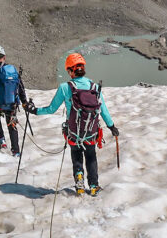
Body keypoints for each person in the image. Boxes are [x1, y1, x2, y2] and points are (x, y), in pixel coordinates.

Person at [28, 53, 118, 196]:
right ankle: (94, 186)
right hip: (91, 131)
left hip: (74, 131)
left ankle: (79, 182)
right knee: (91, 156)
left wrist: (34, 110)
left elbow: (51, 109)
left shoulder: (65, 87)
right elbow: (103, 110)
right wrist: (112, 127)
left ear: (70, 70)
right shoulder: (94, 87)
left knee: (76, 155)